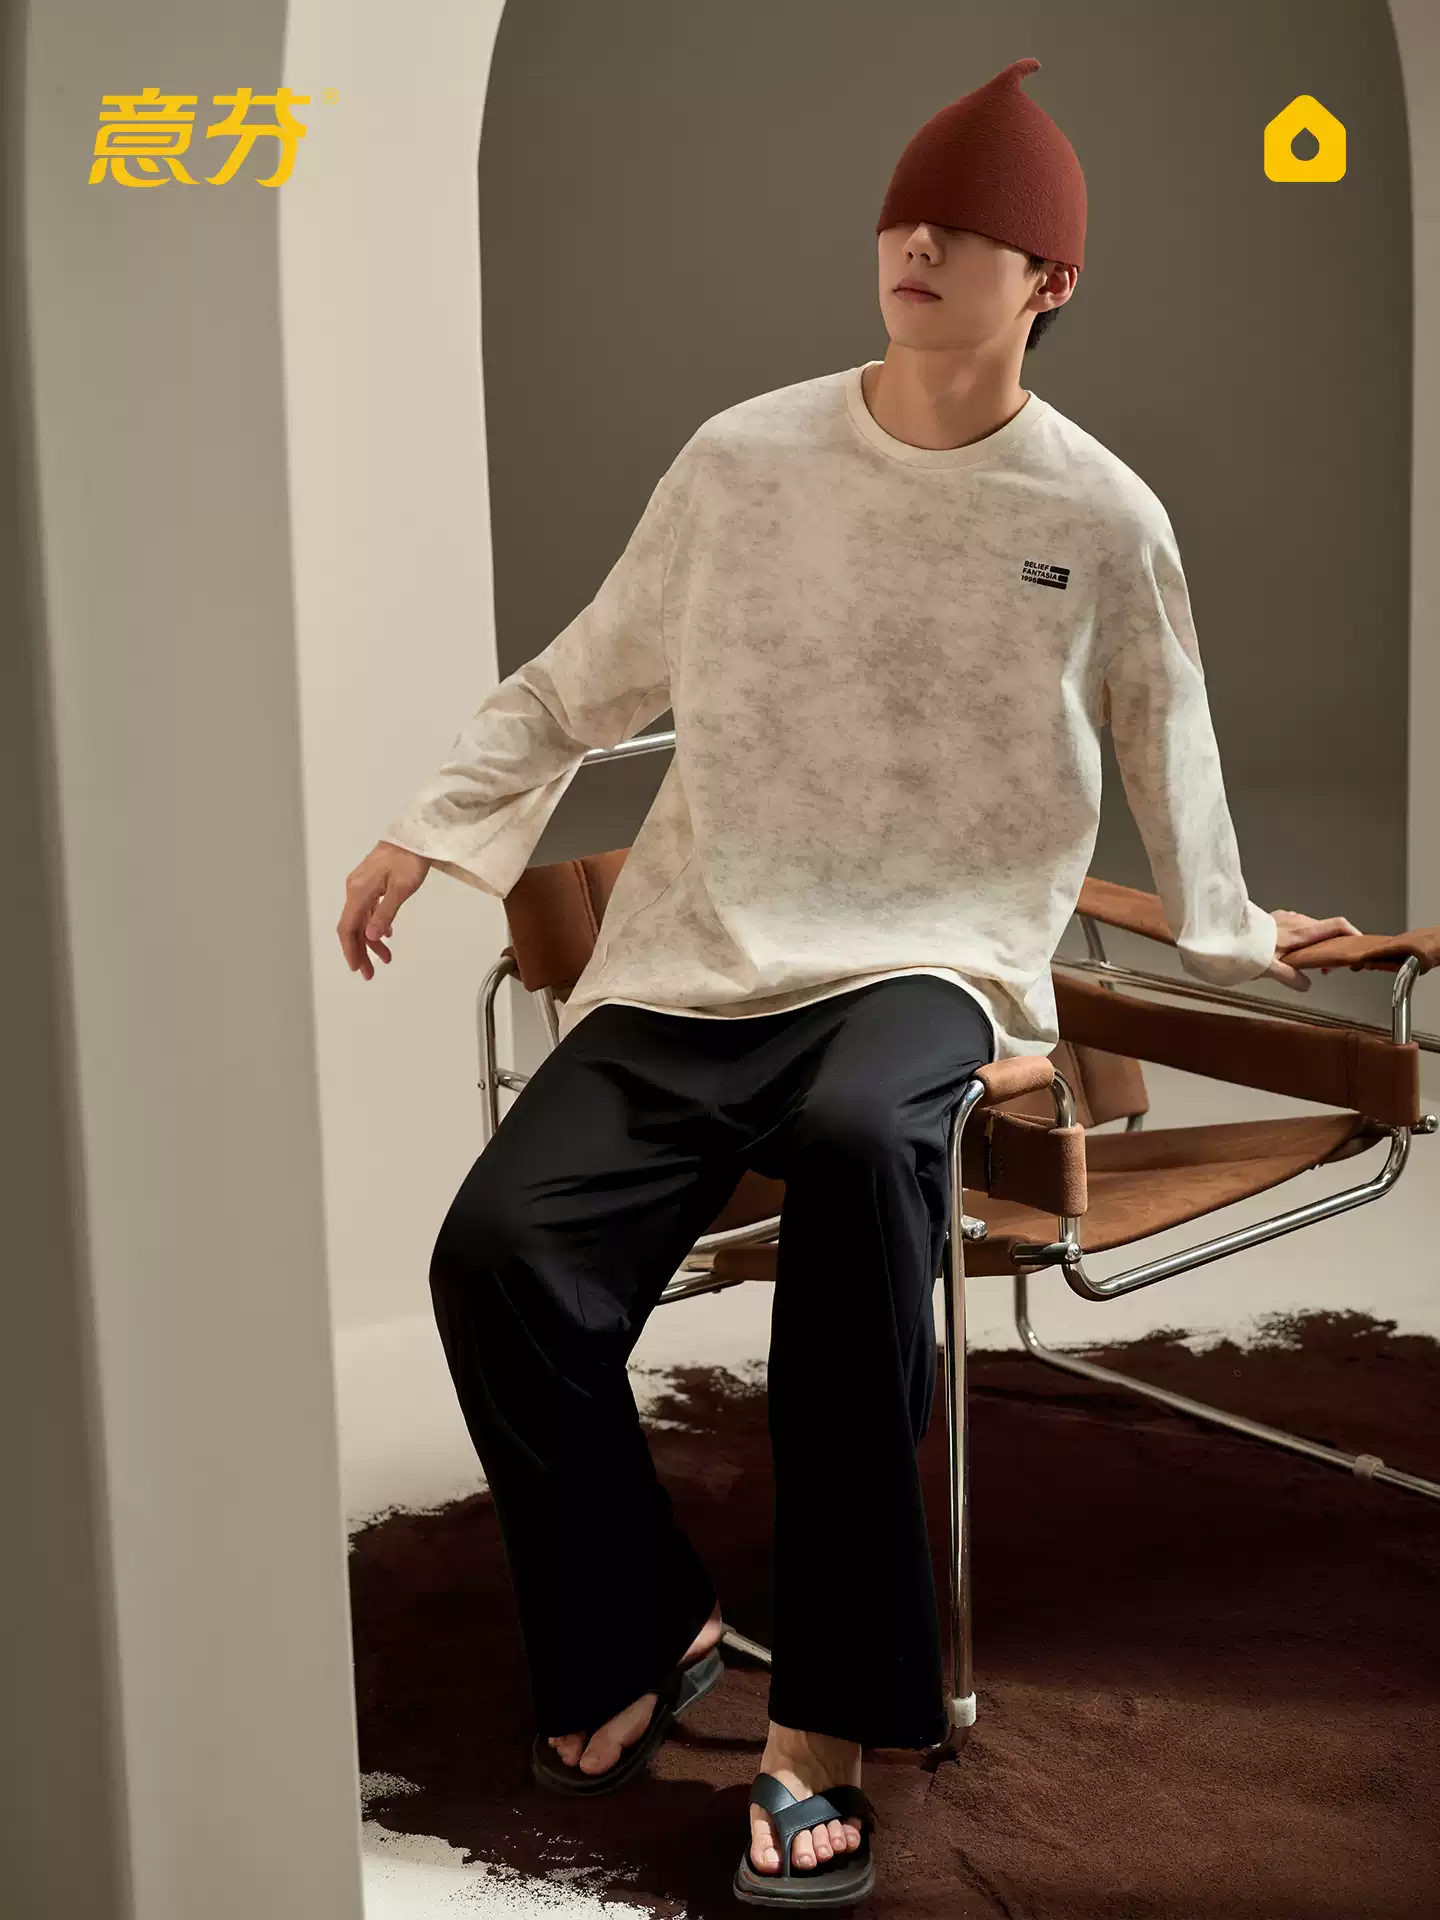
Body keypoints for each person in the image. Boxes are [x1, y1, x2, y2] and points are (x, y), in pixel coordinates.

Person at [337, 56, 1358, 1906]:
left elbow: (1171, 742)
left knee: (868, 1162)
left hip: (926, 960)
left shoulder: (1102, 514)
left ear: (1049, 281)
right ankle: (643, 1625)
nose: (917, 244)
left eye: (966, 229)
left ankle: (828, 1721)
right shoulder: (743, 459)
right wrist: (434, 826)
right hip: (698, 946)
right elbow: (582, 678)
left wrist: (1230, 924)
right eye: (903, 217)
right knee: (497, 1258)